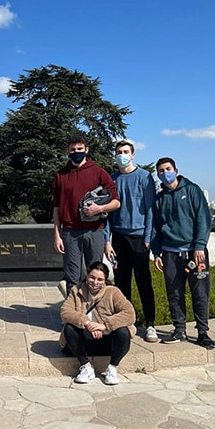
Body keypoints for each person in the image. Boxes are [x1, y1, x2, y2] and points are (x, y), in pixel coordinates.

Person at [150, 157, 215, 349]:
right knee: (175, 293)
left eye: (167, 169)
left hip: (195, 253)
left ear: (176, 170)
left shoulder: (192, 190)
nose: (164, 173)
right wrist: (157, 253)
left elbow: (203, 219)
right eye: (160, 171)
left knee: (200, 293)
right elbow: (155, 228)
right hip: (170, 254)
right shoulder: (159, 198)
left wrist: (199, 245)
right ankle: (179, 330)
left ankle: (202, 332)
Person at [52, 133, 120, 296]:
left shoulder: (98, 172)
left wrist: (99, 209)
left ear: (86, 149)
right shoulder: (60, 175)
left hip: (94, 231)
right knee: (72, 278)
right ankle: (73, 317)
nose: (76, 152)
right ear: (67, 152)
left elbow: (116, 202)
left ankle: (95, 313)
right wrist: (56, 234)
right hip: (70, 232)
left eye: (80, 149)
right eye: (73, 149)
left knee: (96, 276)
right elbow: (56, 207)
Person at [104, 141, 158, 343]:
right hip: (118, 238)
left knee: (144, 282)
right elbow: (107, 212)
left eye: (126, 152)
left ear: (133, 155)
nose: (122, 155)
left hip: (139, 239)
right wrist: (107, 241)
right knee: (122, 284)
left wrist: (147, 238)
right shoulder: (112, 179)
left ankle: (150, 324)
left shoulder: (144, 177)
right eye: (119, 152)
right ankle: (126, 323)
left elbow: (150, 209)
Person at [60, 261, 135, 385]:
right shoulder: (76, 290)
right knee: (69, 328)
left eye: (100, 279)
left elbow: (129, 314)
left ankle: (112, 367)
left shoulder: (113, 292)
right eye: (92, 277)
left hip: (107, 341)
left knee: (123, 332)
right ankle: (86, 366)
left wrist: (104, 326)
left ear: (105, 280)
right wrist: (87, 324)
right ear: (87, 276)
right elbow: (65, 312)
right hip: (84, 341)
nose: (95, 282)